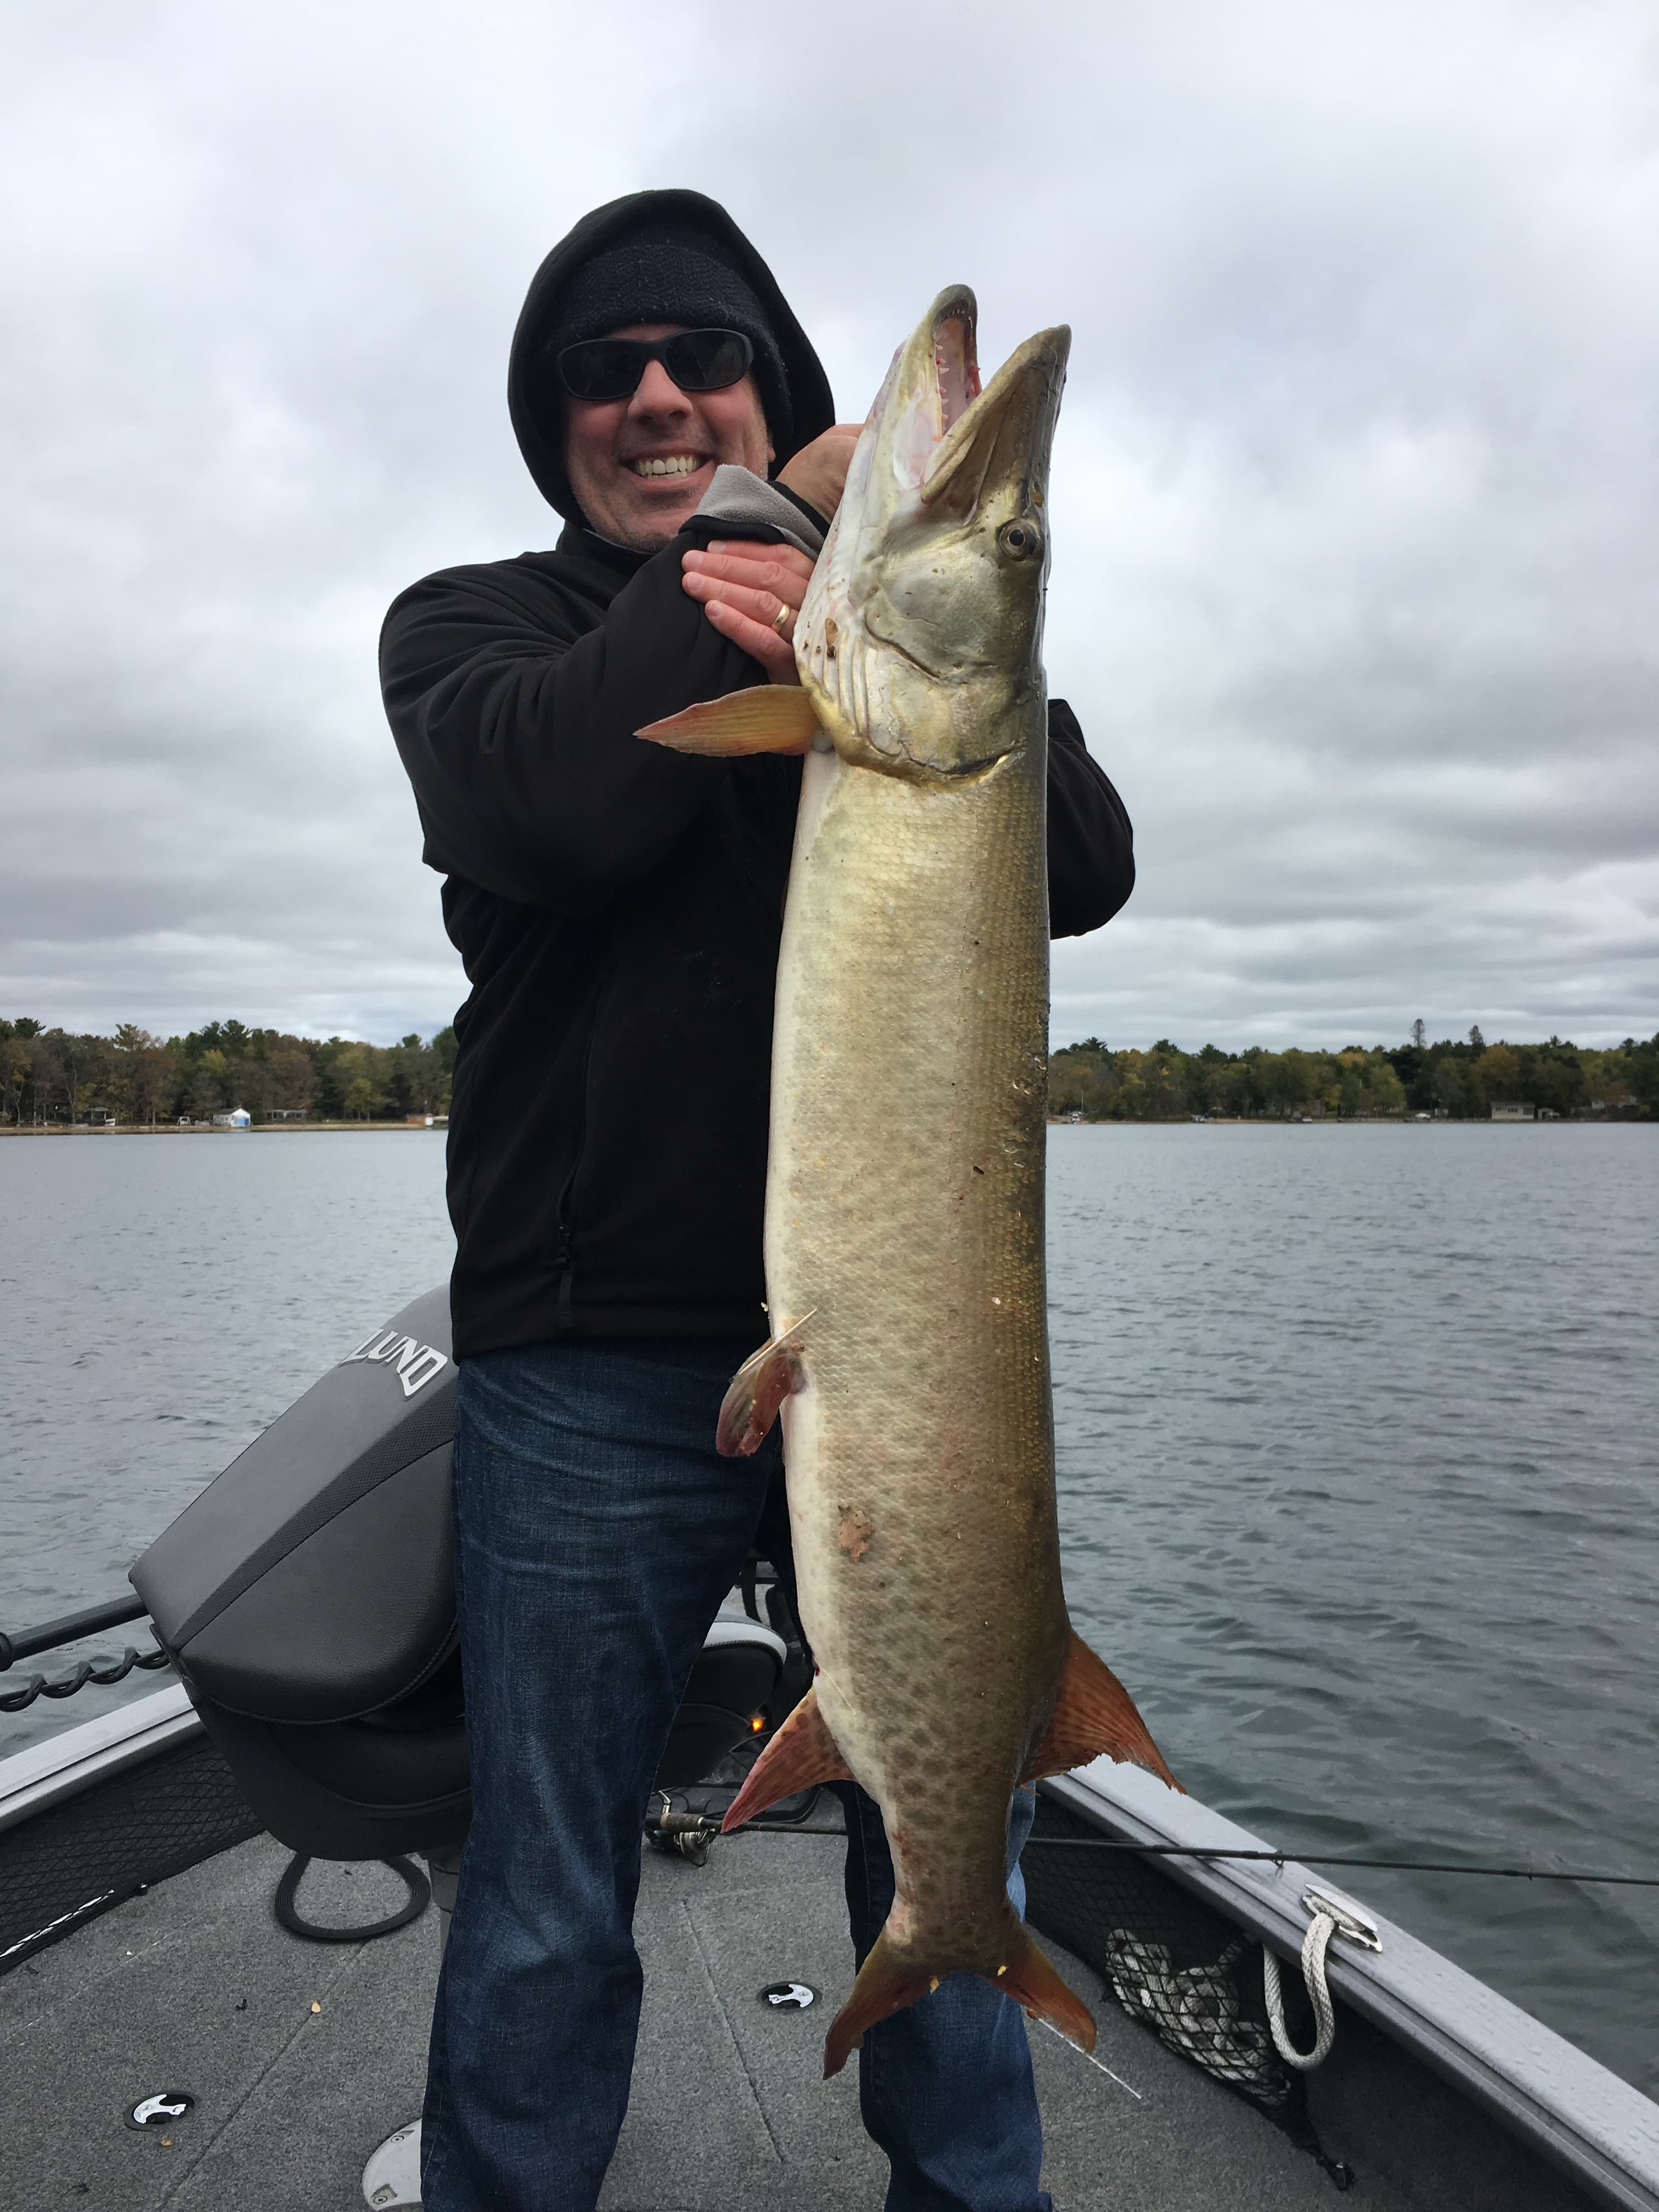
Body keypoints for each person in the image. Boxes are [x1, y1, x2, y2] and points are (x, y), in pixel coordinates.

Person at [381, 188, 1137, 2212]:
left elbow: (1083, 861)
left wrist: (916, 601)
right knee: (545, 1900)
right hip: (588, 1379)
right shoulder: (477, 630)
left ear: (773, 395)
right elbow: (547, 796)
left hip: (907, 1389)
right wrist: (758, 537)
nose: (649, 397)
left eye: (699, 365)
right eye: (600, 376)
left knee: (946, 1833)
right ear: (553, 428)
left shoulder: (876, 662)